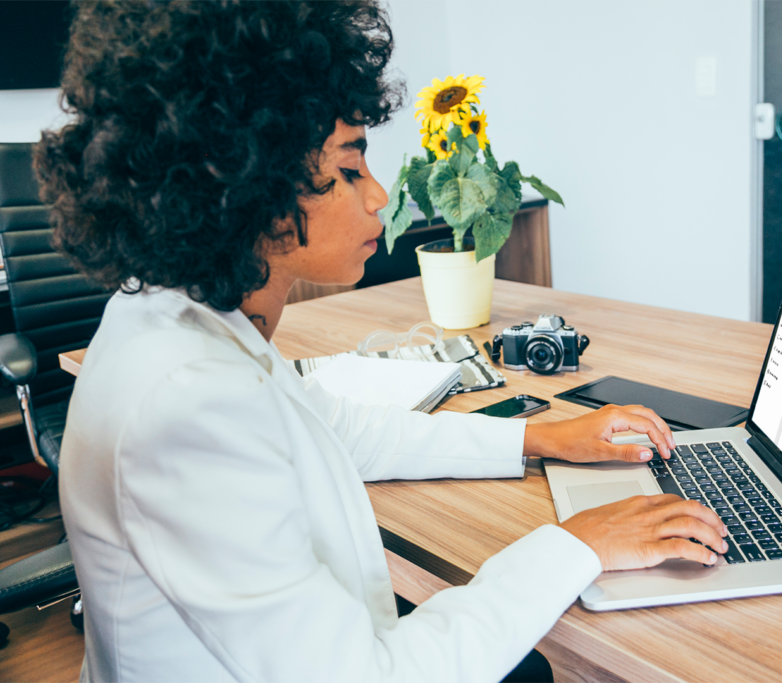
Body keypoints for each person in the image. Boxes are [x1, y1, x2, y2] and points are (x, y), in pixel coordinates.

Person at [39, 2, 728, 681]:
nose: (377, 196)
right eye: (347, 170)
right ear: (250, 185)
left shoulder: (181, 318)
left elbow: (343, 431)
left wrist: (540, 440)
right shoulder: (185, 403)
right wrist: (576, 543)